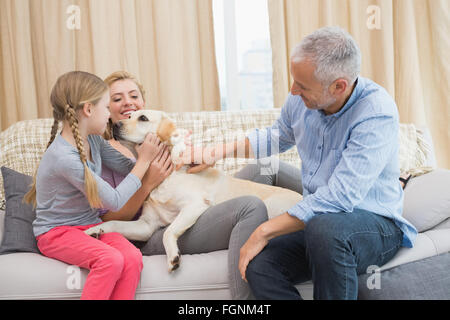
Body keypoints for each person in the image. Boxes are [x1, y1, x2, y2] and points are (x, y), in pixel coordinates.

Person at [179, 26, 418, 300]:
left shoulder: (376, 112)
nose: (293, 91)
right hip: (321, 227)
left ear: (338, 86)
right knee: (260, 265)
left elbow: (340, 198)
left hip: (375, 226)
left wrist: (263, 231)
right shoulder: (300, 101)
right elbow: (277, 136)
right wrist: (217, 152)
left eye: (302, 86)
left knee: (325, 227)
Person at [99, 71, 268, 300]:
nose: (128, 102)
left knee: (263, 169)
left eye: (134, 96)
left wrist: (189, 154)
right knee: (250, 205)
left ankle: (321, 203)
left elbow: (179, 165)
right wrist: (148, 182)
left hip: (179, 202)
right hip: (154, 228)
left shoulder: (156, 138)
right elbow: (109, 219)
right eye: (117, 98)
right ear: (105, 108)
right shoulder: (106, 153)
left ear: (143, 104)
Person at [24, 71, 161, 300]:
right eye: (107, 108)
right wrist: (145, 161)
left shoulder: (94, 140)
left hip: (88, 226)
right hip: (56, 233)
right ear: (88, 110)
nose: (109, 115)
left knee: (132, 258)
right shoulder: (63, 157)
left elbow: (127, 167)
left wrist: (146, 151)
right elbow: (114, 200)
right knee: (110, 259)